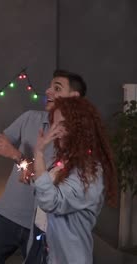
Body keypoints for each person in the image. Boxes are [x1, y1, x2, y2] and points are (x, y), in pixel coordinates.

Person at [0, 70, 87, 263]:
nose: (48, 91)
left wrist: (16, 155)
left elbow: (52, 183)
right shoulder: (30, 118)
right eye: (50, 86)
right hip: (6, 216)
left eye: (57, 88)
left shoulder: (79, 141)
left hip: (41, 227)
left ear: (73, 97)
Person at [24, 97, 118, 263]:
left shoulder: (89, 171)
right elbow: (48, 187)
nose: (55, 129)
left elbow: (52, 201)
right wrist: (33, 173)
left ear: (79, 128)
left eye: (63, 124)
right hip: (42, 246)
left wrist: (38, 153)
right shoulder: (65, 160)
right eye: (54, 123)